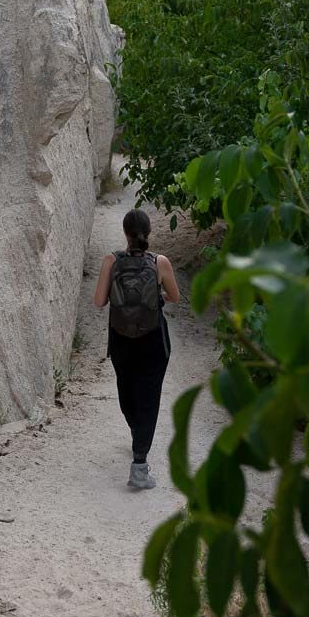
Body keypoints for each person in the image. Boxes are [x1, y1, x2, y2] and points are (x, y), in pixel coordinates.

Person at [93, 209, 180, 489]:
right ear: (148, 233)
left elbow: (98, 302)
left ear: (124, 232)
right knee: (149, 397)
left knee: (128, 393)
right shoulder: (160, 262)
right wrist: (155, 295)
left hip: (121, 340)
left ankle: (138, 440)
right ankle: (140, 465)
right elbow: (175, 297)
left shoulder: (111, 260)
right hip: (154, 341)